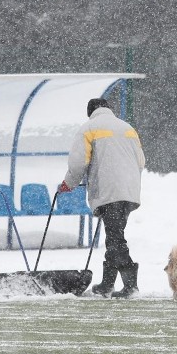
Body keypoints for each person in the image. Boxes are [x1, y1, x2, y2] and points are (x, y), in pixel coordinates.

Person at [58, 98, 145, 298]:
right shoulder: (127, 128)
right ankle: (106, 285)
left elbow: (79, 162)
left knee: (116, 238)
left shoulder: (89, 128)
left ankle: (131, 286)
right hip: (129, 191)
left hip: (109, 190)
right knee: (114, 235)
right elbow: (141, 161)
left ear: (90, 113)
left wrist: (69, 183)